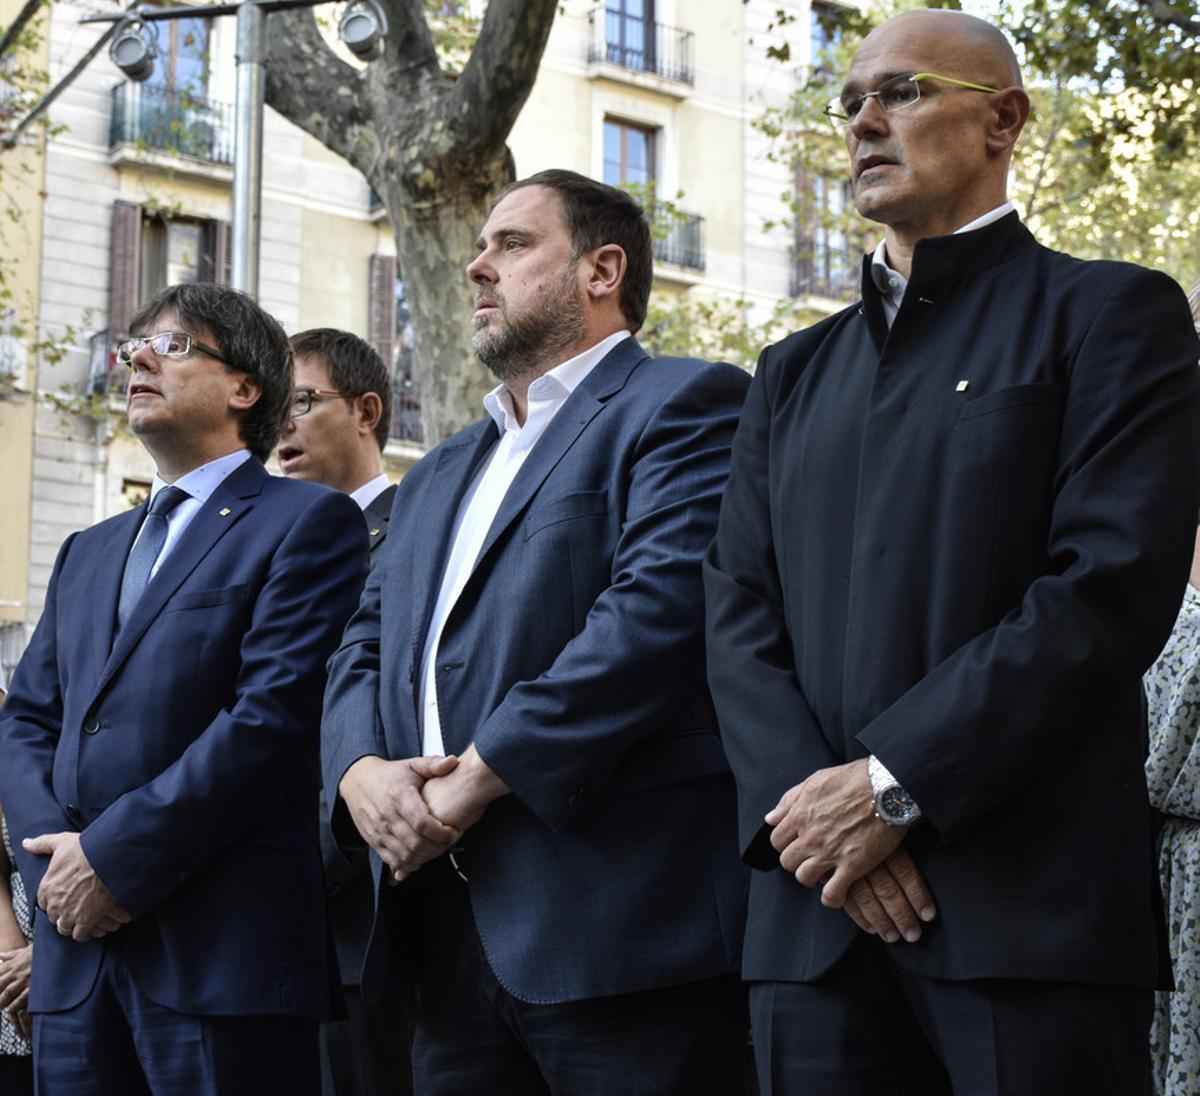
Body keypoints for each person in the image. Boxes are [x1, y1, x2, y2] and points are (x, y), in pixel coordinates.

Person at [703, 10, 1200, 1094]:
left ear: (1005, 120)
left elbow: (1105, 591)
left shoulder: (1111, 313)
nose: (865, 122)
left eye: (905, 92)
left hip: (1022, 917)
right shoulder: (789, 373)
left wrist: (892, 788)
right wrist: (823, 824)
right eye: (848, 103)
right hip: (813, 930)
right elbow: (737, 614)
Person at [322, 169, 751, 1094]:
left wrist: (473, 779)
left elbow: (656, 618)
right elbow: (362, 642)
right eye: (479, 248)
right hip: (436, 941)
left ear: (602, 269)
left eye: (512, 245)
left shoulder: (686, 403)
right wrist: (359, 775)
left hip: (621, 933)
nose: (478, 267)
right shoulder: (437, 471)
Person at [0, 283, 368, 1094]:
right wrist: (56, 877)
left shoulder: (307, 522)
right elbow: (26, 721)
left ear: (245, 388)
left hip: (221, 958)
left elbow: (271, 722)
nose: (136, 356)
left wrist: (113, 862)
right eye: (135, 344)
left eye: (171, 346)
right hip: (76, 961)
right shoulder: (86, 551)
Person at [279, 328, 413, 1096]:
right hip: (269, 929)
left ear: (366, 410)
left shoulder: (417, 531)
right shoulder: (272, 551)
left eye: (300, 401)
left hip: (363, 920)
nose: (281, 427)